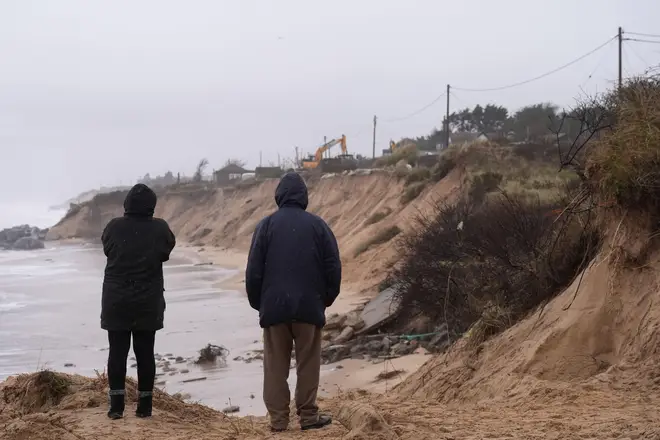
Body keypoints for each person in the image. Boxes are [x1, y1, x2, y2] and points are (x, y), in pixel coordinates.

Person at [246, 172, 342, 432]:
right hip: (309, 305)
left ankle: (278, 421)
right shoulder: (318, 225)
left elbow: (254, 269)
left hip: (274, 306)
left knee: (275, 365)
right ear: (304, 197)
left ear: (279, 196)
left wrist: (259, 303)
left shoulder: (265, 226)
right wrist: (326, 299)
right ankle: (308, 417)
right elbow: (333, 266)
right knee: (308, 362)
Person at [100, 183, 176, 420]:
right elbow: (166, 251)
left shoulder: (114, 227)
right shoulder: (160, 228)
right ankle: (145, 407)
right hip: (147, 299)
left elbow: (107, 249)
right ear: (151, 205)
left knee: (117, 352)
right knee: (145, 353)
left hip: (116, 299)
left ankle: (116, 407)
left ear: (127, 204)